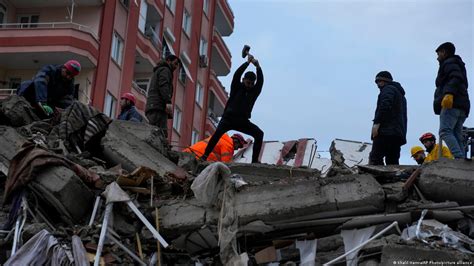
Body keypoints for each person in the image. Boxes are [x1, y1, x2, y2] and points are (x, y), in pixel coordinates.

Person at [200, 54, 264, 163]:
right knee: (216, 135)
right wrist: (247, 63)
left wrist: (258, 67)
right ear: (243, 80)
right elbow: (237, 74)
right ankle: (204, 156)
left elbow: (260, 82)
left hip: (242, 121)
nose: (249, 85)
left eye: (252, 84)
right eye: (248, 82)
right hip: (228, 119)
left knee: (259, 134)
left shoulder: (254, 92)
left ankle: (254, 161)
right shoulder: (236, 87)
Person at [433, 42, 470, 159]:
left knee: (445, 131)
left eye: (438, 53)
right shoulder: (457, 63)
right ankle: (462, 159)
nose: (437, 57)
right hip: (462, 105)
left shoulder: (449, 63)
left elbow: (455, 77)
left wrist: (449, 93)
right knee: (456, 134)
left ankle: (459, 158)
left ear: (444, 52)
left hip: (452, 104)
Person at [369, 71, 407, 165]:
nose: (378, 84)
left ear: (384, 81)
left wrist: (377, 123)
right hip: (397, 133)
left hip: (385, 131)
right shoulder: (401, 96)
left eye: (379, 81)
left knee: (376, 158)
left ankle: (378, 179)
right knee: (392, 161)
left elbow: (385, 106)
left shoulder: (388, 89)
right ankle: (391, 180)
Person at [145, 54, 181, 138]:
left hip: (154, 106)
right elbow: (163, 86)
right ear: (168, 61)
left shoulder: (161, 70)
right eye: (175, 63)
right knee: (160, 134)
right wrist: (168, 101)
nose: (176, 67)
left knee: (155, 131)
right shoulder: (165, 70)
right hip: (158, 107)